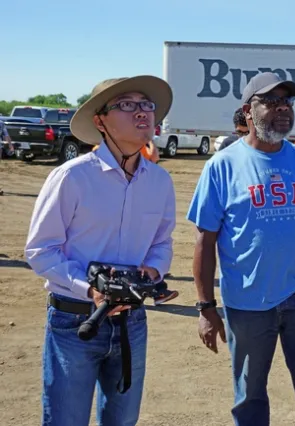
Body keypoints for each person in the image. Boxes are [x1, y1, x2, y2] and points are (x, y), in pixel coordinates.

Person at [187, 72, 295, 426]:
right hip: (247, 302)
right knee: (249, 397)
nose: (282, 109)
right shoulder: (222, 166)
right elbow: (205, 240)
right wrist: (205, 307)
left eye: (287, 102)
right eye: (271, 102)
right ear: (248, 111)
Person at [24, 75, 176, 426]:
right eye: (126, 105)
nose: (141, 113)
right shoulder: (72, 177)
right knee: (66, 420)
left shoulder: (159, 181)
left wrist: (154, 270)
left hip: (131, 322)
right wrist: (89, 289)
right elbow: (41, 250)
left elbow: (161, 242)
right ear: (100, 121)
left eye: (146, 105)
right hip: (74, 321)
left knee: (122, 420)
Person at [91, 138, 179, 306]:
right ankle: (158, 291)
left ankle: (158, 291)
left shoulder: (159, 178)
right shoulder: (82, 169)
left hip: (132, 311)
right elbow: (154, 156)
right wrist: (150, 141)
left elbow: (162, 240)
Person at [0, 118, 14, 196]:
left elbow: (6, 136)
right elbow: (6, 136)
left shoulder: (1, 123)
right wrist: (10, 145)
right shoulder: (1, 123)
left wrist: (10, 145)